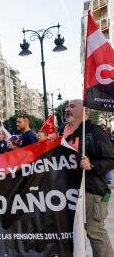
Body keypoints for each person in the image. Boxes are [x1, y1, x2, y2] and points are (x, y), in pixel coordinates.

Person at [59, 99, 114, 256]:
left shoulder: (95, 132)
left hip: (91, 192)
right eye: (67, 106)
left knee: (95, 231)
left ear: (86, 112)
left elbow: (111, 160)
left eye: (73, 106)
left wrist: (92, 166)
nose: (67, 109)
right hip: (68, 192)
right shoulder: (63, 131)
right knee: (71, 232)